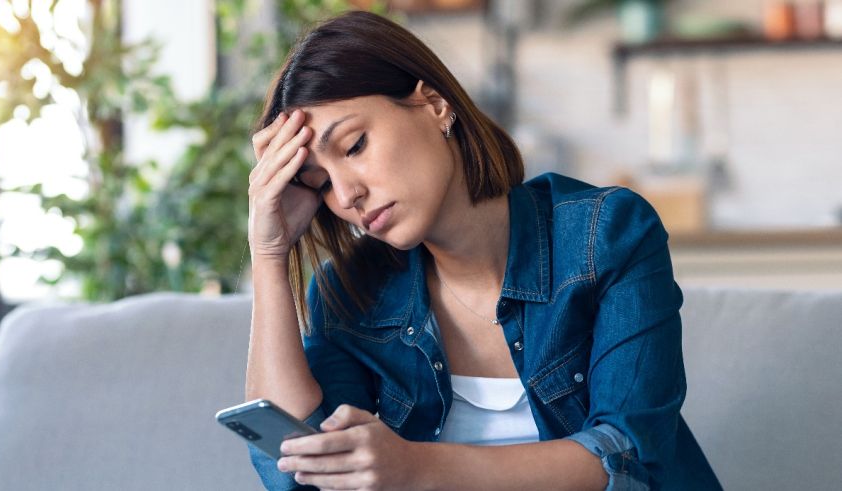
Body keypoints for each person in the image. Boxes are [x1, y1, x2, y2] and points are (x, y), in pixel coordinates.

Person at [244, 9, 721, 491]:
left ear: (433, 102)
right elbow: (296, 477)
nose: (346, 195)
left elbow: (630, 457)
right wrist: (268, 254)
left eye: (355, 145)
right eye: (321, 183)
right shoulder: (352, 293)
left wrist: (415, 467)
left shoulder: (606, 236)